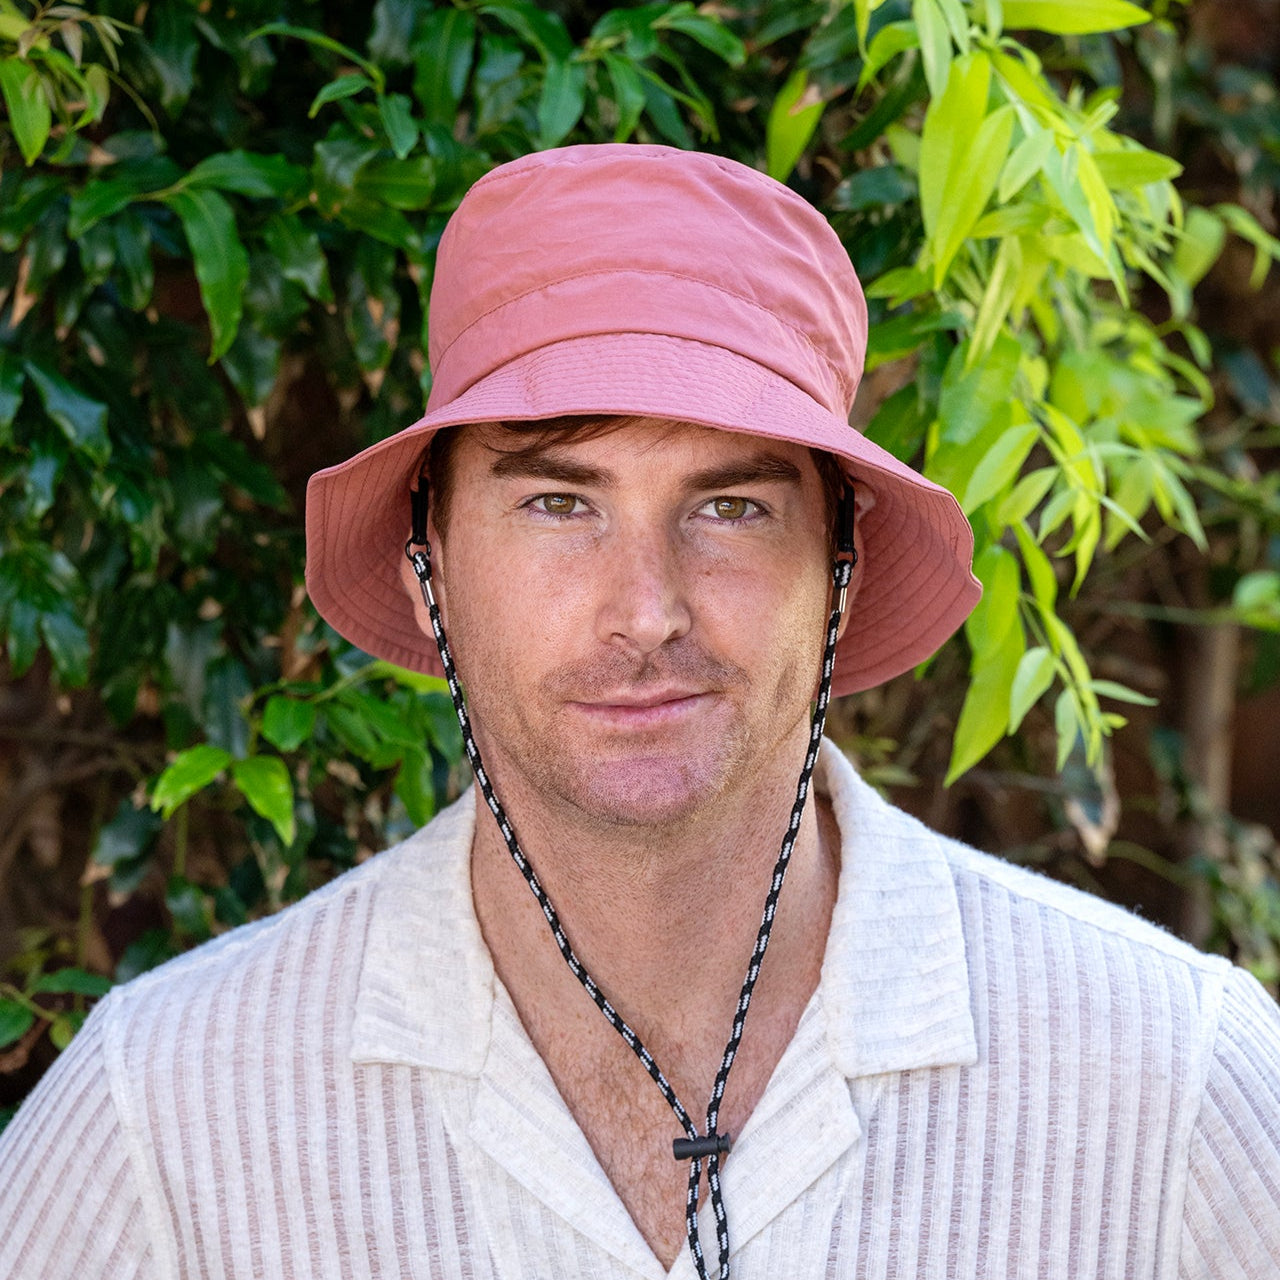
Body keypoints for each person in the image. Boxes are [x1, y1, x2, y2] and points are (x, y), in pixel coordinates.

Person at [1, 143, 1278, 1280]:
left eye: (730, 506)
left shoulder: (1173, 1087)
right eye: (558, 503)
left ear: (839, 574)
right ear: (427, 566)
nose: (647, 609)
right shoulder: (161, 1120)